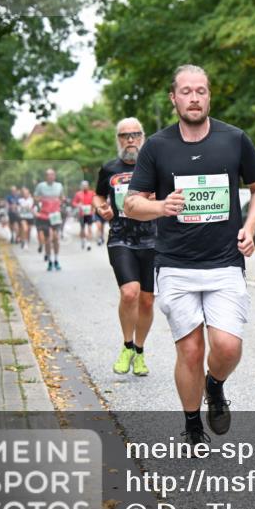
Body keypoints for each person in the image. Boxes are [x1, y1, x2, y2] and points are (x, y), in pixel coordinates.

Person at [125, 65, 255, 447]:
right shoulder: (157, 146)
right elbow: (132, 204)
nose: (194, 98)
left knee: (227, 346)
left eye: (201, 91)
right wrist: (161, 208)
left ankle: (215, 385)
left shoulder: (234, 139)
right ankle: (192, 424)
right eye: (186, 91)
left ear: (209, 96)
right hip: (175, 264)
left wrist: (250, 228)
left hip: (225, 262)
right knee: (190, 350)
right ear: (173, 98)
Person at [95, 118, 157, 378]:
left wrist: (159, 199)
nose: (130, 139)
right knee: (129, 293)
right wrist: (101, 208)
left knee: (146, 299)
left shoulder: (156, 165)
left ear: (143, 137)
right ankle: (127, 345)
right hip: (121, 237)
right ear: (117, 139)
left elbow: (174, 194)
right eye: (124, 135)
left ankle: (139, 352)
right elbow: (99, 196)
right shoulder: (109, 168)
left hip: (152, 239)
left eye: (135, 134)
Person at [34, 168, 65, 270]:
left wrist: (61, 200)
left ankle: (56, 260)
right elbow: (35, 198)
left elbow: (62, 197)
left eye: (52, 175)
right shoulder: (41, 186)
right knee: (48, 239)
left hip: (55, 215)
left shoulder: (59, 186)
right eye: (49, 175)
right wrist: (44, 200)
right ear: (46, 177)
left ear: (54, 176)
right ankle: (50, 261)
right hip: (44, 215)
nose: (51, 176)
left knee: (56, 238)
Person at [72, 180, 96, 251]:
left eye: (86, 185)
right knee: (82, 229)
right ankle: (83, 239)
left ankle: (88, 243)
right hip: (82, 214)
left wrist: (93, 207)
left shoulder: (92, 193)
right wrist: (78, 205)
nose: (85, 187)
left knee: (89, 228)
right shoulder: (78, 194)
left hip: (89, 213)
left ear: (88, 186)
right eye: (83, 185)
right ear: (81, 186)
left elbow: (95, 200)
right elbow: (73, 202)